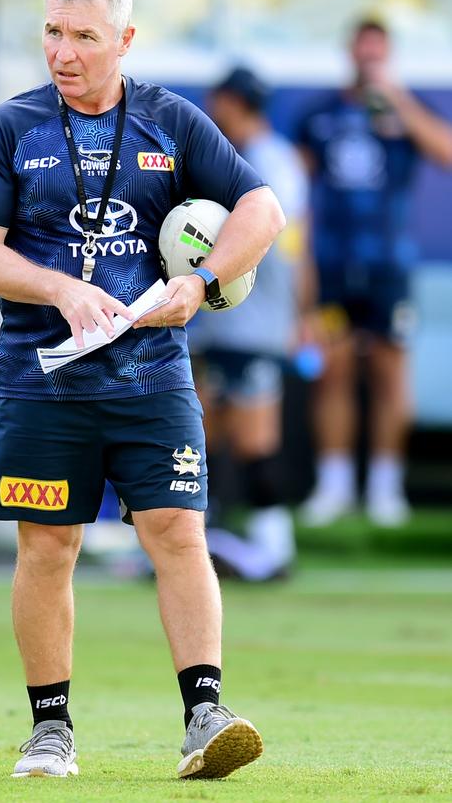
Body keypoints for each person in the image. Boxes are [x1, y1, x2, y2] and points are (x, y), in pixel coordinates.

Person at [0, 0, 284, 780]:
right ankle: (50, 730)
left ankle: (205, 715)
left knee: (177, 531)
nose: (62, 53)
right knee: (48, 546)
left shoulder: (172, 121)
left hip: (151, 375)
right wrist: (61, 287)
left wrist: (200, 283)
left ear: (125, 40)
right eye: (53, 33)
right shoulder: (10, 127)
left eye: (83, 37)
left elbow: (263, 209)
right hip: (43, 379)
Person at [297, 18, 452, 527]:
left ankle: (386, 487)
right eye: (363, 52)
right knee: (334, 371)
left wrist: (399, 102)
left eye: (378, 54)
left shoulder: (407, 112)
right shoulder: (321, 115)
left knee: (390, 372)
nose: (369, 62)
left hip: (390, 267)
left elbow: (445, 152)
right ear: (349, 53)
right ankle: (334, 484)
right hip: (336, 265)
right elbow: (291, 191)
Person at [189, 67, 310, 581]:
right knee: (206, 431)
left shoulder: (272, 161)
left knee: (255, 435)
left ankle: (273, 547)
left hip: (255, 320)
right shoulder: (229, 158)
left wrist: (300, 314)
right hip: (216, 321)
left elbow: (289, 243)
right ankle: (207, 546)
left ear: (228, 102)